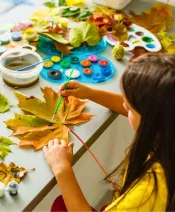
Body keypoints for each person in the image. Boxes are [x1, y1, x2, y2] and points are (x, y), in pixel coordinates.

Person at [43, 53, 175, 211]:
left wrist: (61, 168)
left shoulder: (149, 192)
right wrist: (91, 93)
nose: (124, 106)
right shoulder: (168, 126)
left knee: (60, 205)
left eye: (129, 107)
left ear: (153, 121)